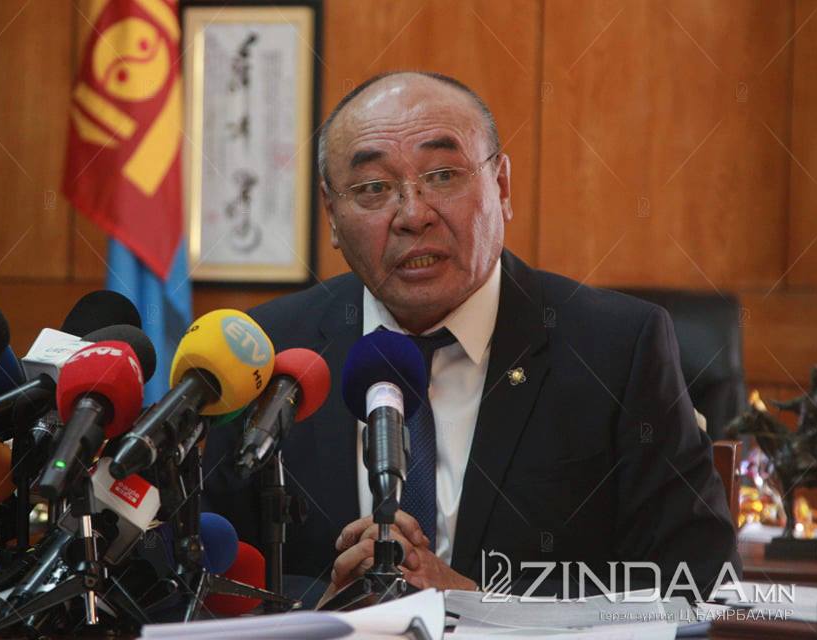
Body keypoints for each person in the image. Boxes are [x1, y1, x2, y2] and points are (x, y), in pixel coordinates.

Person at [203, 71, 739, 603]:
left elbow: (699, 583)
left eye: (442, 175)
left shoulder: (617, 349)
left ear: (501, 187)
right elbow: (202, 570)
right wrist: (318, 609)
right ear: (332, 216)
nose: (413, 215)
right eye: (373, 188)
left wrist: (475, 602)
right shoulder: (269, 351)